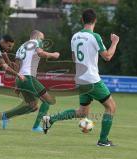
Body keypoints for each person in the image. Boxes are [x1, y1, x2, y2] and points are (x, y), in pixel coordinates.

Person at [42, 8, 120, 146]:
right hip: (92, 79)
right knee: (111, 107)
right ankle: (103, 141)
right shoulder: (95, 36)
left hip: (81, 79)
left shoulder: (75, 36)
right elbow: (107, 56)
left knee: (82, 112)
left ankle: (50, 119)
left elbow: (74, 58)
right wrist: (114, 42)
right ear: (95, 20)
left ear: (82, 20)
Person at [1, 30, 60, 132]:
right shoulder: (36, 42)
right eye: (42, 38)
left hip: (21, 78)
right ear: (36, 37)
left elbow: (17, 65)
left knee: (33, 106)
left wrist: (17, 83)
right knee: (47, 100)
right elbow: (41, 53)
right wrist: (53, 55)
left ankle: (6, 115)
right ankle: (36, 127)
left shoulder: (21, 47)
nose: (42, 41)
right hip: (28, 78)